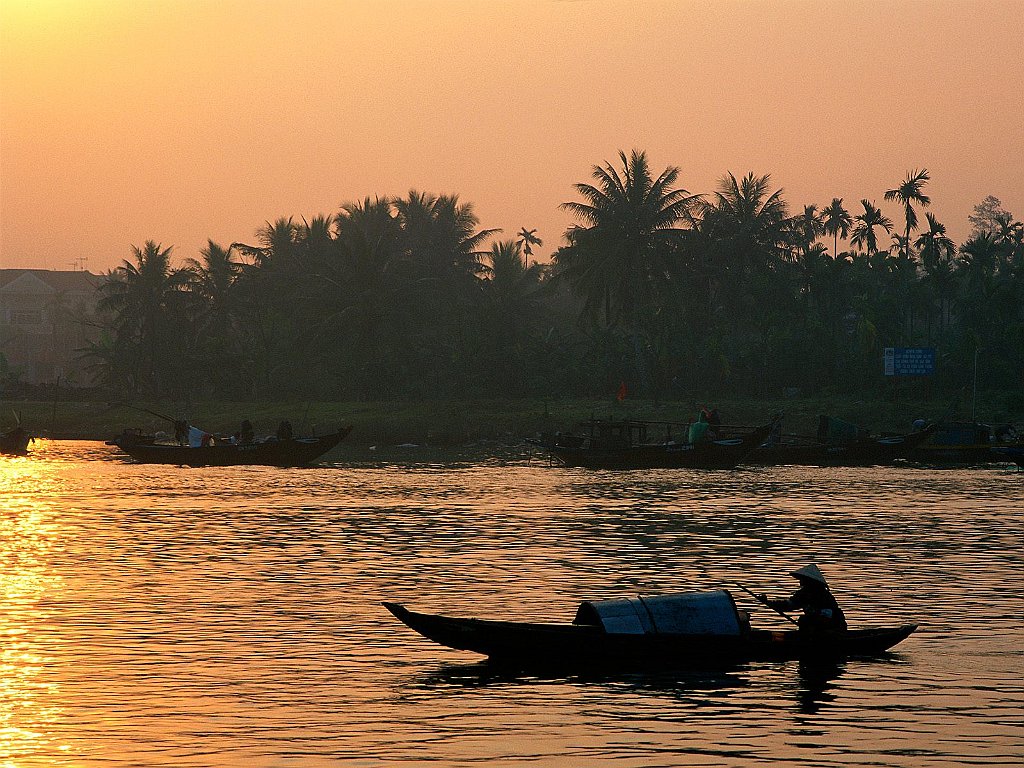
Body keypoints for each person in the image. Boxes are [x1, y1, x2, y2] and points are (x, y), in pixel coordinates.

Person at [757, 564, 847, 634]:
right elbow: (789, 605)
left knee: (805, 620)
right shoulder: (803, 594)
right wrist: (768, 602)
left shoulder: (823, 595)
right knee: (805, 620)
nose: (800, 582)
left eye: (803, 579)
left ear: (810, 581)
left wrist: (812, 617)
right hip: (817, 629)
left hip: (833, 628)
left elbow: (828, 614)